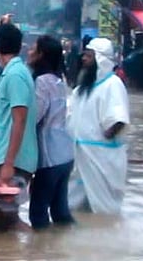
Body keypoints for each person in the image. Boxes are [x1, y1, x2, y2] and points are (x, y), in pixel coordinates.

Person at [0, 22, 39, 232]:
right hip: (6, 156)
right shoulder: (14, 73)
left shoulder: (15, 76)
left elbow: (20, 119)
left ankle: (41, 250)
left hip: (11, 160)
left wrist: (8, 164)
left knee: (5, 219)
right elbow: (12, 117)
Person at [69, 38, 131, 215]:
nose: (84, 59)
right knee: (73, 205)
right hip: (81, 156)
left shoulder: (113, 85)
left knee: (105, 209)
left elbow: (119, 119)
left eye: (89, 56)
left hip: (101, 157)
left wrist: (102, 139)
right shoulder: (84, 87)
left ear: (100, 59)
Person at [27, 35, 75, 229]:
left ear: (41, 55)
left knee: (38, 213)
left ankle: (42, 254)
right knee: (60, 211)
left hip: (50, 157)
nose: (29, 51)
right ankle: (66, 250)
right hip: (65, 154)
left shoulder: (42, 82)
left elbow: (33, 117)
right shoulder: (58, 80)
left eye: (33, 49)